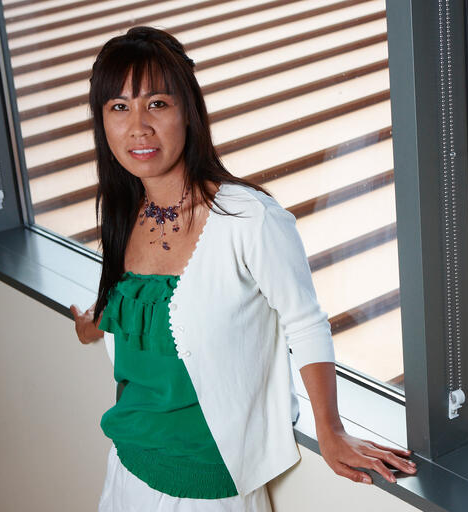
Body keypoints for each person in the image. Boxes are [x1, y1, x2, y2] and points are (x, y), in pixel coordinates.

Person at [70, 26, 416, 512]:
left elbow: (305, 321)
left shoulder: (250, 218)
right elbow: (141, 305)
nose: (138, 126)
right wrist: (94, 323)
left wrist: (331, 430)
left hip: (208, 486)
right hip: (127, 465)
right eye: (119, 107)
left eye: (157, 104)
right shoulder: (124, 212)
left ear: (188, 112)